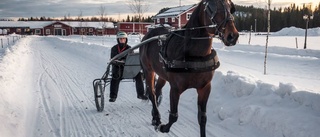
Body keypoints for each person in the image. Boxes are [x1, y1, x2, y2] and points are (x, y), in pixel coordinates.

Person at [109, 31, 148, 102]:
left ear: (126, 39)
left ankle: (140, 94)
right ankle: (113, 96)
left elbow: (131, 59)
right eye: (120, 39)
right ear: (118, 40)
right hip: (118, 68)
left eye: (124, 39)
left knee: (139, 75)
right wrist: (118, 61)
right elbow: (113, 59)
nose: (122, 40)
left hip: (128, 68)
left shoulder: (129, 48)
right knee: (115, 77)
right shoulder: (114, 48)